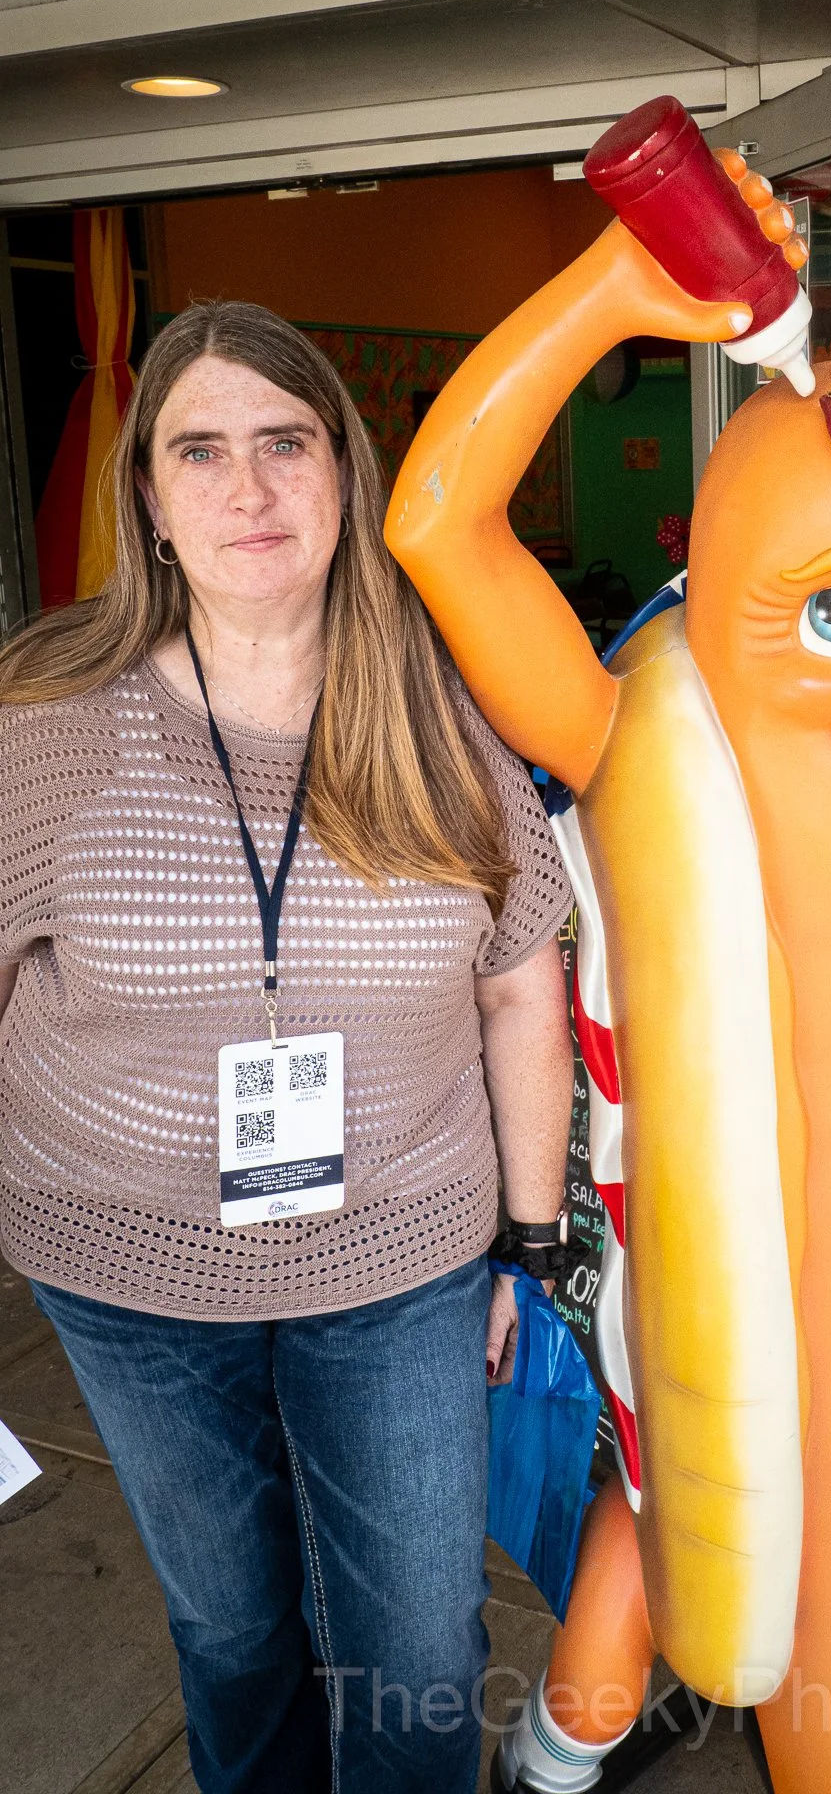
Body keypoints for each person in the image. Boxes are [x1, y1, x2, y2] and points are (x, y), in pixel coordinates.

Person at [0, 301, 575, 1794]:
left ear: (343, 471)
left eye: (284, 443)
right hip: (122, 1265)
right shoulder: (45, 721)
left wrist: (526, 1246)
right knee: (235, 1630)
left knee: (421, 1647)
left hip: (399, 1255)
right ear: (149, 497)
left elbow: (520, 984)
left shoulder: (441, 711)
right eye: (200, 451)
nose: (247, 489)